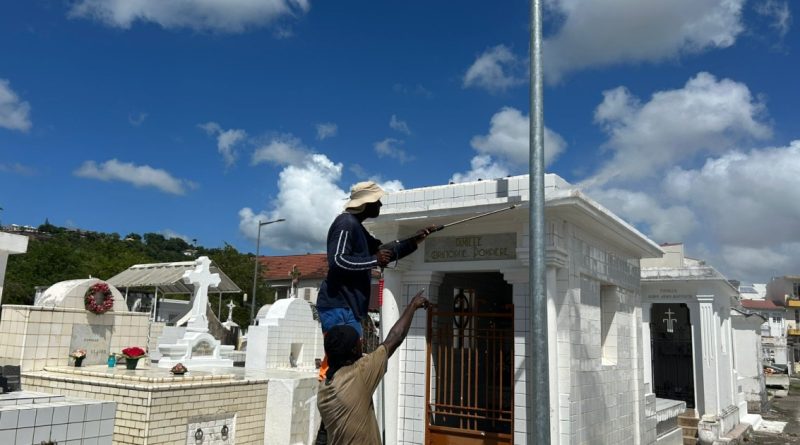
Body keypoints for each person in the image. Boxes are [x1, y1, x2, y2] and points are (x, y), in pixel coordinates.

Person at [314, 181, 432, 444]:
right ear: (366, 203)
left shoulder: (358, 228)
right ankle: (325, 431)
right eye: (377, 201)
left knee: (349, 367)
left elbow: (383, 252)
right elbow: (337, 260)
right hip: (337, 304)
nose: (380, 205)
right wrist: (372, 261)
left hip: (349, 307)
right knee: (337, 364)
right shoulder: (345, 224)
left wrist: (416, 240)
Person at [317, 290, 430, 445]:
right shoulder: (357, 376)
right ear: (352, 351)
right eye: (359, 343)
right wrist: (412, 306)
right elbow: (395, 338)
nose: (362, 344)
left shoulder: (324, 388)